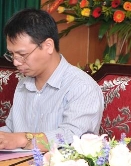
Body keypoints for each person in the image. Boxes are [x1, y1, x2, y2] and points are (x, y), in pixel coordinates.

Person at [0, 8, 104, 151]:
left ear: (48, 46)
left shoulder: (82, 86)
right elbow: (12, 130)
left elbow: (74, 137)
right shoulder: (24, 83)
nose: (16, 62)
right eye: (12, 54)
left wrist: (23, 139)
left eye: (22, 55)